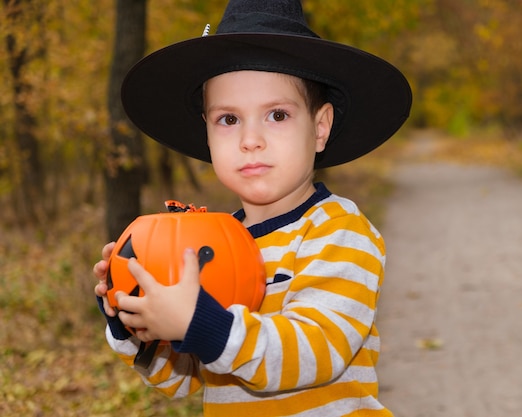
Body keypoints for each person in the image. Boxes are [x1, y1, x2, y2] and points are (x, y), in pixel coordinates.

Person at [93, 0, 412, 415]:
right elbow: (185, 377)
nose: (250, 139)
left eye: (277, 115)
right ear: (207, 134)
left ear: (320, 128)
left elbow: (319, 350)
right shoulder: (209, 248)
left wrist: (201, 323)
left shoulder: (338, 232)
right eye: (228, 120)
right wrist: (134, 316)